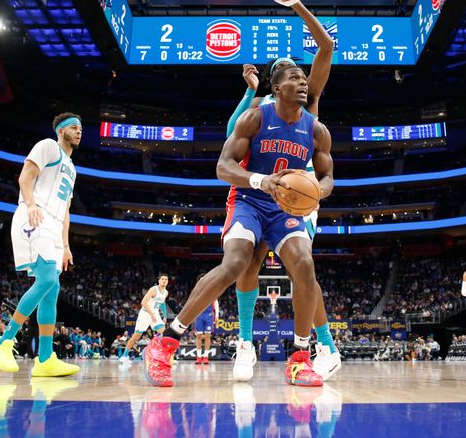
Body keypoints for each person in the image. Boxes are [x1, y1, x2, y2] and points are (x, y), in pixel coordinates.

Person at [143, 62, 335, 387]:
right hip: (249, 200)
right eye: (294, 79)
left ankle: (300, 357)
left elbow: (327, 175)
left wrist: (318, 190)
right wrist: (261, 181)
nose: (303, 83)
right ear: (276, 88)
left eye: (304, 79)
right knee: (235, 264)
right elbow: (223, 167)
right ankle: (165, 343)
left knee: (304, 265)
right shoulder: (256, 116)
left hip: (283, 209)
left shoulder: (316, 129)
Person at [226, 0, 339, 383]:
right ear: (276, 86)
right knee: (249, 260)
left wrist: (295, 1)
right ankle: (244, 343)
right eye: (287, 74)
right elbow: (229, 144)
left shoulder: (310, 102)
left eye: (298, 72)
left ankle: (322, 345)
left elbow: (325, 47)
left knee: (302, 267)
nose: (297, 78)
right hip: (264, 189)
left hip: (302, 190)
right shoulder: (260, 109)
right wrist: (248, 93)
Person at [0, 113, 81, 378]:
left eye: (81, 128)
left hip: (53, 226)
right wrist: (30, 205)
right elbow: (25, 176)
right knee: (47, 278)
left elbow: (66, 210)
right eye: (74, 127)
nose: (79, 132)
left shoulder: (72, 168)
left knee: (52, 287)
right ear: (61, 131)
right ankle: (4, 342)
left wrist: (65, 244)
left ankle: (45, 358)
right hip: (34, 214)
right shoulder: (48, 146)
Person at [120, 274, 169, 364]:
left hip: (155, 313)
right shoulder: (154, 290)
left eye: (166, 279)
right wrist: (151, 314)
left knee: (163, 333)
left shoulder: (166, 292)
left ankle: (156, 354)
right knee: (136, 336)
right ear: (159, 280)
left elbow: (162, 304)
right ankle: (124, 356)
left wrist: (165, 316)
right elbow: (143, 302)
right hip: (145, 313)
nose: (164, 281)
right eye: (162, 279)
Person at [194, 290, 219, 365]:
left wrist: (217, 316)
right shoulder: (197, 292)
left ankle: (205, 357)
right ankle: (198, 357)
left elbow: (216, 303)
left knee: (208, 336)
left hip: (209, 316)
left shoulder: (212, 291)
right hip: (199, 315)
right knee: (199, 336)